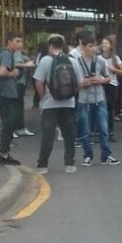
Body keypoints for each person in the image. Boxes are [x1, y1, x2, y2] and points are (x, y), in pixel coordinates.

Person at [74, 32, 121, 166]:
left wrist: (100, 80)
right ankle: (87, 155)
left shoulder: (100, 60)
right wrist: (84, 83)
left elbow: (108, 78)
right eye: (90, 46)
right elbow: (74, 85)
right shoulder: (76, 62)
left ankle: (106, 155)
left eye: (94, 45)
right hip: (84, 100)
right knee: (85, 130)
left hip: (99, 99)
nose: (93, 48)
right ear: (82, 47)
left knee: (103, 128)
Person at [33, 34, 77, 174]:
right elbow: (79, 83)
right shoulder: (72, 60)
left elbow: (38, 82)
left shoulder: (46, 60)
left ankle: (43, 165)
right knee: (69, 134)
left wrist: (43, 98)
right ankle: (69, 164)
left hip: (50, 104)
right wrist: (70, 95)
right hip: (69, 103)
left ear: (50, 46)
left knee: (48, 135)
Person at [0, 32, 24, 166]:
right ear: (9, 41)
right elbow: (2, 72)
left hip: (6, 94)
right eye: (17, 41)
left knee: (9, 123)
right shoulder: (7, 54)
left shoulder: (7, 54)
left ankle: (4, 153)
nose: (20, 44)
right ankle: (4, 153)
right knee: (9, 124)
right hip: (6, 94)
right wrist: (14, 73)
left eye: (20, 42)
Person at [101, 35, 122, 142]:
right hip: (100, 84)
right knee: (101, 109)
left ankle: (110, 132)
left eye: (106, 43)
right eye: (103, 43)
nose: (104, 45)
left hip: (112, 84)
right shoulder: (98, 57)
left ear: (111, 45)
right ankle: (101, 131)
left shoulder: (115, 58)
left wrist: (112, 69)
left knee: (110, 109)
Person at [12, 48, 36, 138]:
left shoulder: (19, 53)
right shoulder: (14, 52)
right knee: (15, 107)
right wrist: (26, 64)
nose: (20, 44)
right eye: (17, 41)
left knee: (19, 106)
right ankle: (14, 128)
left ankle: (19, 128)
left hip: (21, 82)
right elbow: (15, 64)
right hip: (17, 82)